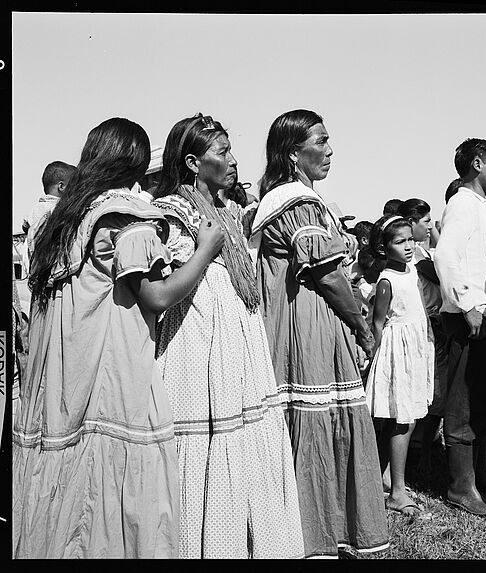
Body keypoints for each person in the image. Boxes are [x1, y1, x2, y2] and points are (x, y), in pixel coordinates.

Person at [13, 117, 208, 558]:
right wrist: (204, 252)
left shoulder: (59, 220)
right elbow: (156, 297)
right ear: (136, 163)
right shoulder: (127, 218)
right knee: (119, 490)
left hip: (61, 376)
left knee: (71, 490)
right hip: (114, 367)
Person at [152, 113, 304, 560]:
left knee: (244, 435)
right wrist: (206, 248)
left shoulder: (230, 211)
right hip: (198, 340)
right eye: (223, 152)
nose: (234, 160)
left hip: (238, 339)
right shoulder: (174, 212)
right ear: (195, 162)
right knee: (207, 438)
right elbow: (172, 282)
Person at [249, 109, 389, 558]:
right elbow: (327, 274)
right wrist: (362, 327)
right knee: (313, 419)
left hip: (299, 321)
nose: (329, 151)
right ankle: (314, 535)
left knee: (309, 424)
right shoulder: (299, 203)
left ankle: (310, 530)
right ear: (294, 153)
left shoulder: (284, 199)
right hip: (306, 325)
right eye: (320, 142)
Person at [434, 138, 486, 518]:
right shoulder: (462, 204)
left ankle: (478, 472)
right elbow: (446, 256)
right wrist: (467, 305)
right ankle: (460, 486)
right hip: (474, 318)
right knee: (464, 405)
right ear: (477, 163)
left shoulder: (480, 206)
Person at [365, 215, 434, 516]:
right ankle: (397, 491)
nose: (408, 246)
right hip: (397, 351)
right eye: (399, 241)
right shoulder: (386, 281)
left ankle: (385, 479)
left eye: (410, 239)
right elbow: (378, 323)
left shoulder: (413, 271)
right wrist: (371, 358)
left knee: (410, 416)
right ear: (384, 246)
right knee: (401, 419)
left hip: (416, 347)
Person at [397, 198, 448, 476]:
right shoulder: (415, 257)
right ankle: (421, 452)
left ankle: (425, 450)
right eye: (426, 221)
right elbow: (443, 274)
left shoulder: (422, 254)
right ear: (412, 223)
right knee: (429, 393)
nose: (430, 226)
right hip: (426, 329)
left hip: (434, 330)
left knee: (435, 394)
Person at [22, 161, 77, 277]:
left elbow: (25, 226)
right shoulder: (60, 210)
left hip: (36, 269)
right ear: (61, 187)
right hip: (55, 268)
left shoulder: (35, 209)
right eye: (74, 186)